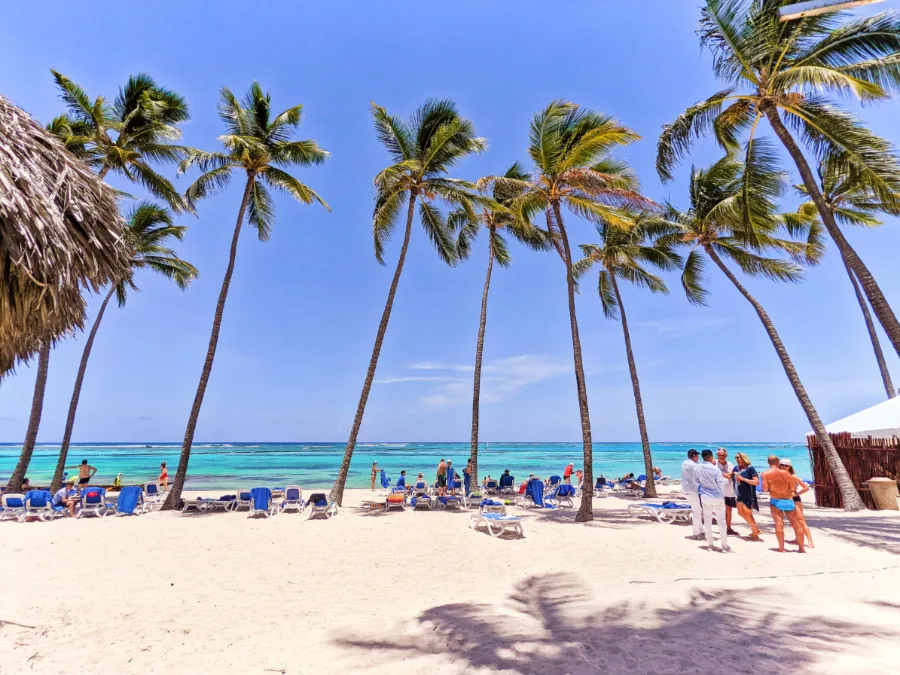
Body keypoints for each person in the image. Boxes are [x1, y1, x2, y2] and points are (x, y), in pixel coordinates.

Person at [762, 455, 805, 553]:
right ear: (778, 462)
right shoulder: (786, 473)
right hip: (788, 500)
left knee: (779, 524)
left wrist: (772, 487)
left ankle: (781, 548)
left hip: (775, 501)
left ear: (768, 463)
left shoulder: (765, 474)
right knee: (796, 525)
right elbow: (793, 488)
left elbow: (764, 488)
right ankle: (801, 548)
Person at [695, 449, 730, 552]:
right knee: (721, 521)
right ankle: (724, 546)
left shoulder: (697, 467)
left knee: (707, 521)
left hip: (705, 496)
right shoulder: (715, 469)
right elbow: (721, 483)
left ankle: (710, 545)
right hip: (717, 496)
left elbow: (695, 480)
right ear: (710, 457)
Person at [781, 458, 815, 548]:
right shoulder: (779, 476)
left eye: (786, 465)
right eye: (782, 465)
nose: (783, 467)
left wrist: (797, 494)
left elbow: (806, 487)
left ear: (789, 467)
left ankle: (810, 541)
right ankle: (797, 538)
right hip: (785, 499)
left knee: (801, 520)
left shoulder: (793, 476)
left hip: (794, 499)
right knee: (793, 521)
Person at [733, 452, 762, 541]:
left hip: (748, 494)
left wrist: (743, 479)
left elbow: (756, 482)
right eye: (736, 457)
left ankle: (755, 534)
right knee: (740, 512)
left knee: (748, 514)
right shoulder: (736, 468)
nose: (737, 459)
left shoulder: (750, 469)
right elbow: (730, 476)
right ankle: (756, 530)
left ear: (744, 458)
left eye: (739, 457)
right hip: (739, 493)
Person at [715, 448, 740, 536]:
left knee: (729, 510)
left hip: (729, 491)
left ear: (726, 455)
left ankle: (728, 528)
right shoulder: (714, 464)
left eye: (723, 455)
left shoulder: (730, 464)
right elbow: (729, 475)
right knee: (720, 511)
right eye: (719, 455)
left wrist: (720, 473)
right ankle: (722, 528)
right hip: (718, 491)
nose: (721, 456)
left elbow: (730, 476)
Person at [681, 449, 703, 540]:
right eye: (697, 456)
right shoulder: (694, 465)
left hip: (686, 489)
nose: (698, 458)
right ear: (694, 456)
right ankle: (696, 533)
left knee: (698, 510)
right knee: (697, 511)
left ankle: (701, 530)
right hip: (692, 490)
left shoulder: (684, 463)